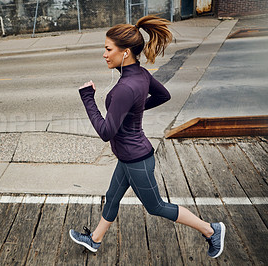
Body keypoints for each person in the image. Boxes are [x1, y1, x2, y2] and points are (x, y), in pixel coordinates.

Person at [69, 15, 226, 259]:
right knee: (112, 197)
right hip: (130, 156)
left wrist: (88, 98)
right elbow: (163, 96)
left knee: (156, 207)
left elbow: (105, 132)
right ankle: (95, 240)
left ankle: (211, 230)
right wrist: (134, 111)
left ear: (126, 52)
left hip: (137, 160)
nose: (104, 54)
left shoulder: (125, 88)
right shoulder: (140, 75)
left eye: (108, 49)